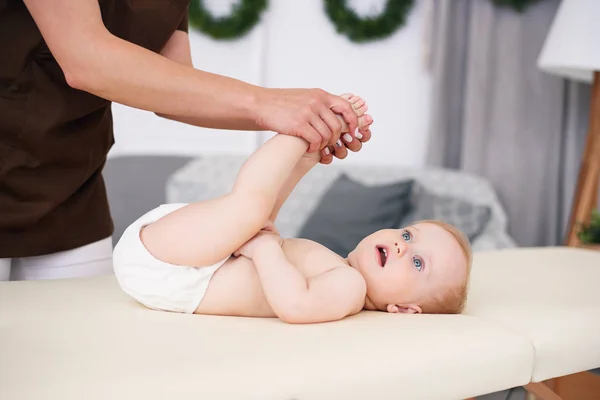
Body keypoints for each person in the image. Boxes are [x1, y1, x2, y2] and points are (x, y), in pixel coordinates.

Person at [0, 0, 368, 281]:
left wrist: (300, 129)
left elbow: (174, 88)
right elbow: (85, 58)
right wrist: (269, 103)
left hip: (70, 194)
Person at [112, 95, 472, 324]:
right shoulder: (336, 267)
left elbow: (296, 306)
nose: (402, 246)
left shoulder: (349, 287)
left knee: (252, 212)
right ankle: (306, 142)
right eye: (408, 235)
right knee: (255, 214)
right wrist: (305, 163)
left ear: (406, 310)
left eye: (417, 262)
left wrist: (266, 248)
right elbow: (262, 224)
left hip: (176, 271)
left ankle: (301, 129)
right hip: (182, 258)